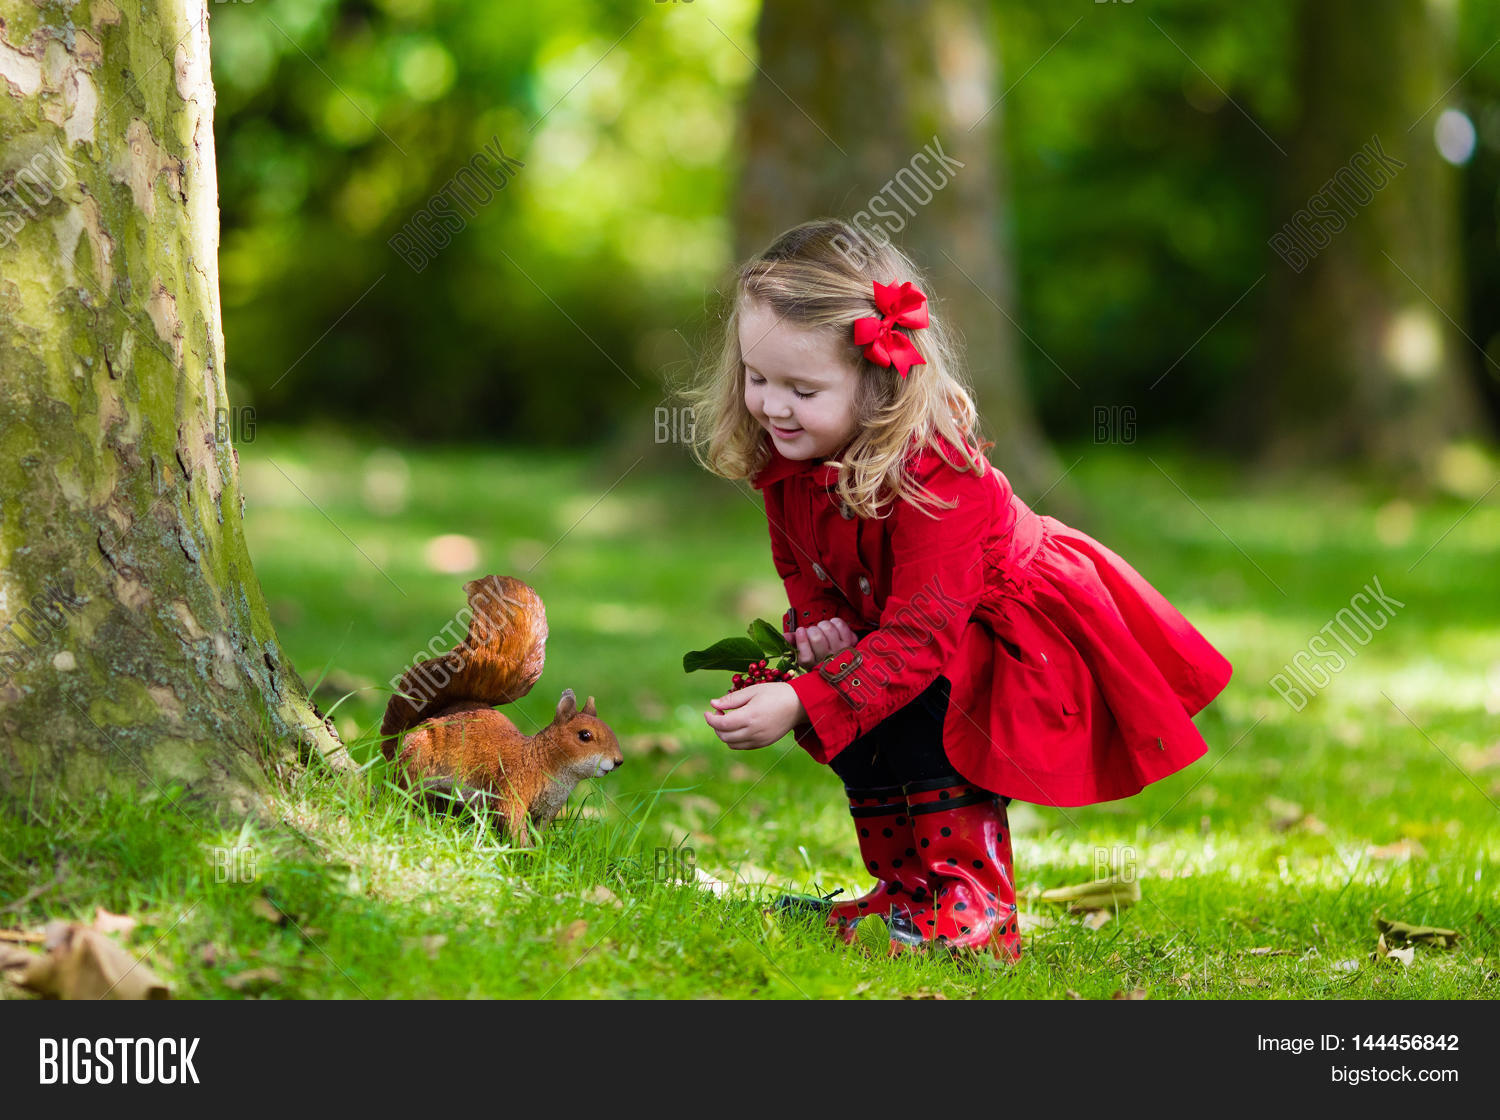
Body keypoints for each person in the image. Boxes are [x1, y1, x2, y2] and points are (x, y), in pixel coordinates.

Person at [690, 218, 1233, 959]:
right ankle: (906, 891)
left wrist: (796, 699)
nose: (773, 406)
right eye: (757, 379)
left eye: (802, 388)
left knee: (926, 716)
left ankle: (973, 905)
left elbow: (921, 638)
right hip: (906, 629)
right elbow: (801, 558)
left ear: (878, 379)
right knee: (858, 723)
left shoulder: (934, 466)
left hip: (995, 623)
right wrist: (822, 625)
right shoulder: (791, 456)